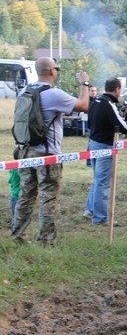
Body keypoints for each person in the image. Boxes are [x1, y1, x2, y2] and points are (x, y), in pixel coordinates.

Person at [11, 57, 90, 245]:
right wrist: (84, 83)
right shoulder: (54, 94)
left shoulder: (25, 91)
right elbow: (83, 105)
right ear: (52, 71)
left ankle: (18, 236)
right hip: (47, 154)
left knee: (25, 195)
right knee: (48, 197)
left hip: (25, 151)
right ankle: (46, 241)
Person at [84, 78, 127, 225]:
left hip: (93, 143)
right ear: (117, 89)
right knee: (102, 183)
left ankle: (90, 210)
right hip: (104, 147)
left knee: (97, 180)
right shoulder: (108, 105)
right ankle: (100, 218)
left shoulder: (96, 102)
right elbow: (124, 127)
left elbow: (89, 123)